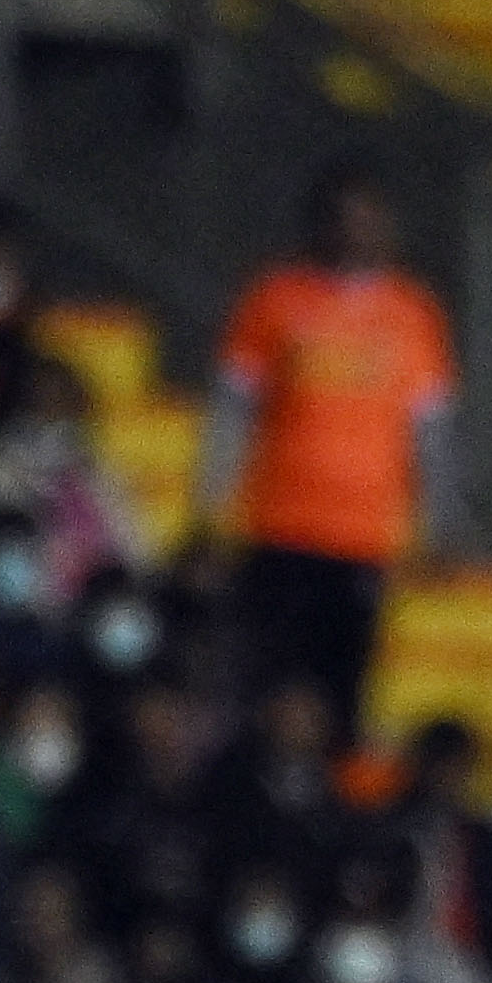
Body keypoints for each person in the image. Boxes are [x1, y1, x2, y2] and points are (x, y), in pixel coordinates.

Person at [203, 166, 460, 725]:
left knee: (343, 688)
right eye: (345, 219)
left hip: (364, 537)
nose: (356, 233)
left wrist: (442, 523)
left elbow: (431, 431)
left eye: (368, 221)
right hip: (279, 526)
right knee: (267, 679)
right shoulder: (274, 299)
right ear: (321, 224)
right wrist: (211, 506)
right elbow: (233, 412)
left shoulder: (414, 314)